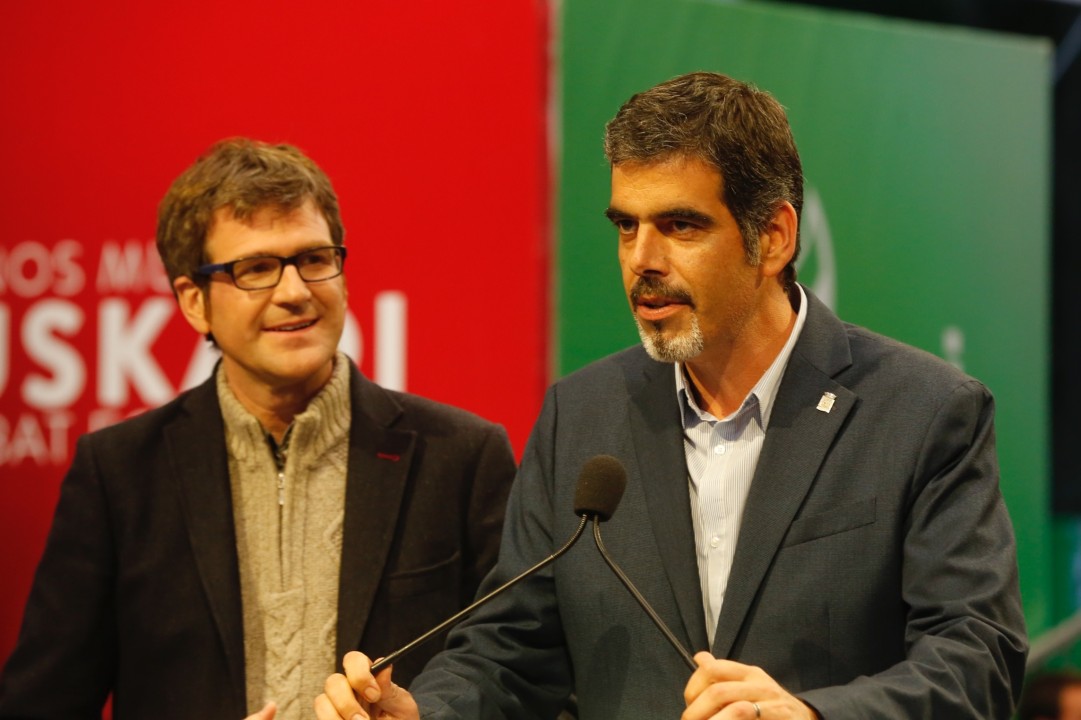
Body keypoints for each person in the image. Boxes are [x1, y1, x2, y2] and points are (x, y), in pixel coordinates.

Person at [316, 71, 1027, 719]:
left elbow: (976, 659)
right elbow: (511, 652)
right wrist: (424, 713)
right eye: (626, 226)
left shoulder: (922, 411)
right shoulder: (580, 416)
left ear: (774, 237)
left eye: (680, 226)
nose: (641, 260)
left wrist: (813, 716)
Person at [0, 139, 517, 720]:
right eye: (256, 269)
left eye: (314, 259)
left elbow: (526, 680)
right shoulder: (119, 474)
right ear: (194, 302)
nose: (294, 292)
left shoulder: (462, 457)